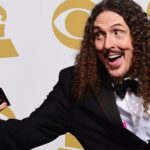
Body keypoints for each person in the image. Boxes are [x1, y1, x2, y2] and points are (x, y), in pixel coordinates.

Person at [0, 0, 150, 149]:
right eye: (99, 35)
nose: (107, 45)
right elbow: (22, 134)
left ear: (137, 37)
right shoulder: (76, 85)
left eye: (117, 32)